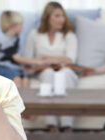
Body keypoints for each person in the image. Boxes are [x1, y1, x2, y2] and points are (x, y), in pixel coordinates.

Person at [24, 1, 78, 132]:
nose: (62, 19)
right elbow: (28, 59)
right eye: (57, 16)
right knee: (48, 73)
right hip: (43, 70)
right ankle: (51, 124)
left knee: (64, 74)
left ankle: (67, 125)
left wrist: (47, 58)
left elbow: (70, 59)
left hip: (65, 69)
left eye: (63, 16)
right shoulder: (34, 34)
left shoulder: (69, 35)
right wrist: (40, 61)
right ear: (47, 17)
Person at [0, 10, 45, 88]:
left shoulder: (16, 38)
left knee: (25, 79)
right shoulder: (5, 41)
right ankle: (15, 99)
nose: (22, 27)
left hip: (14, 68)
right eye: (21, 25)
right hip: (3, 67)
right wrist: (36, 62)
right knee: (17, 79)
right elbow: (18, 58)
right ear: (13, 26)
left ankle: (25, 99)